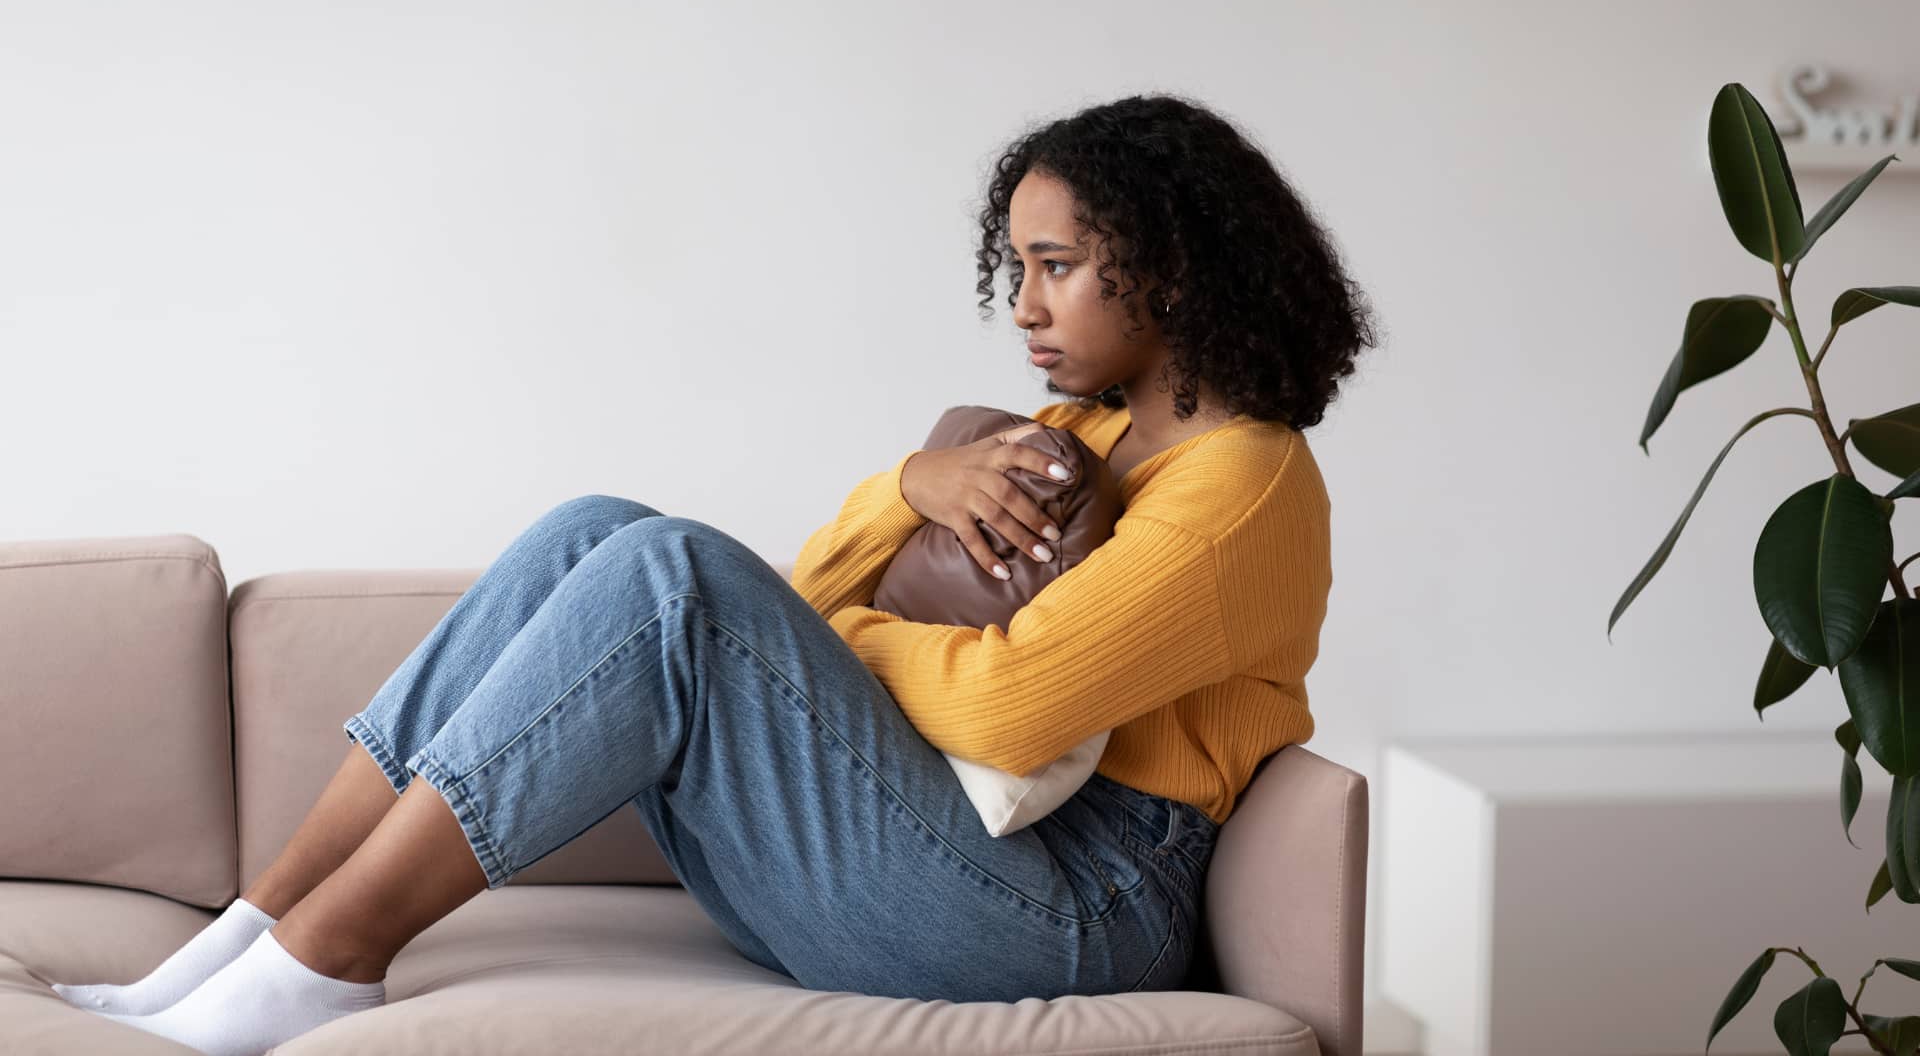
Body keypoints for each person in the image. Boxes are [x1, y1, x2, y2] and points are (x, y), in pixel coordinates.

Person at [51, 91, 1377, 1056]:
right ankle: (257, 925)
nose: (1024, 306)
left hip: (1067, 910)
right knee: (598, 529)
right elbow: (815, 580)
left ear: (1177, 271)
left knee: (675, 579)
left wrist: (822, 646)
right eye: (1017, 267)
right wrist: (910, 488)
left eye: (1058, 268)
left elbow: (1004, 708)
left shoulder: (1240, 484)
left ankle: (330, 960)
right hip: (943, 853)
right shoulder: (1090, 434)